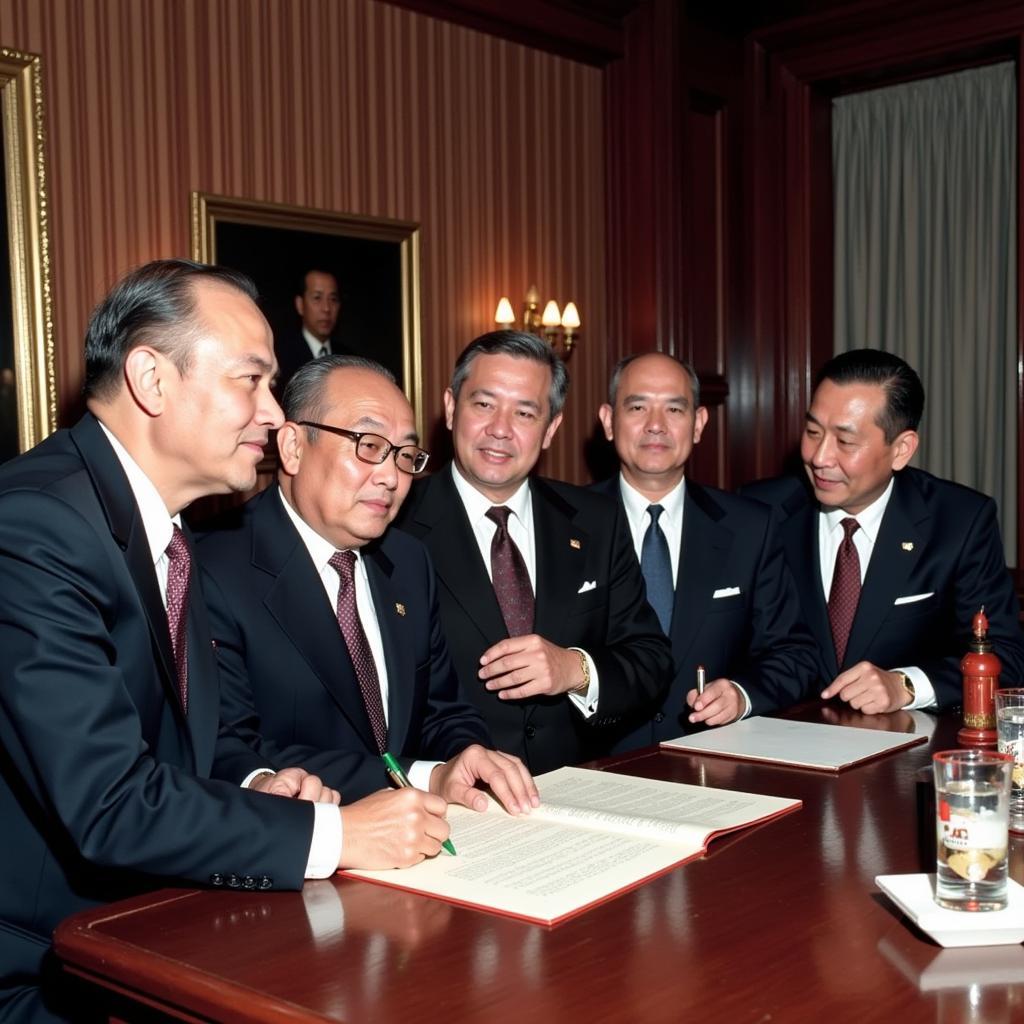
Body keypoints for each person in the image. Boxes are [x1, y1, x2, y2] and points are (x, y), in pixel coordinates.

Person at [0, 260, 450, 1020]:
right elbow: (108, 800)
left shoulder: (166, 534)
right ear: (151, 378)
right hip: (49, 967)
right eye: (252, 381)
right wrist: (333, 833)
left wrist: (254, 788)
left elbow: (173, 757)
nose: (276, 417)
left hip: (150, 930)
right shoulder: (36, 525)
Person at [196, 354, 537, 810]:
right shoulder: (212, 566)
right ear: (294, 447)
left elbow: (442, 709)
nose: (392, 477)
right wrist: (426, 777)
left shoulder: (409, 560)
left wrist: (466, 755)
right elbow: (229, 747)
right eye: (370, 445)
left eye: (405, 455)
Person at [395, 330, 671, 774]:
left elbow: (651, 659)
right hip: (450, 806)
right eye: (483, 404)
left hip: (578, 793)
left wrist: (575, 670)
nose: (500, 429)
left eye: (525, 412)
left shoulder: (597, 521)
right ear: (450, 408)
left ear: (550, 429)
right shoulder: (394, 524)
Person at [743, 348, 1024, 713]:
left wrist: (906, 685)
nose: (819, 457)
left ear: (901, 450)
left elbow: (1006, 654)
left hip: (905, 752)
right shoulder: (760, 512)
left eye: (845, 441)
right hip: (779, 739)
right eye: (813, 431)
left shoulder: (959, 521)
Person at [593, 353, 819, 748]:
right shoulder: (565, 527)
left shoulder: (751, 527)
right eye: (638, 407)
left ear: (698, 424)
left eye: (674, 409)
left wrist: (743, 694)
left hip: (715, 764)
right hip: (592, 766)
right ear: (609, 421)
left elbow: (794, 654)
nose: (656, 425)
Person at [274, 267, 345, 394]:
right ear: (300, 305)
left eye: (333, 299)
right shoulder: (279, 356)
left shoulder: (348, 358)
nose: (326, 308)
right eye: (317, 298)